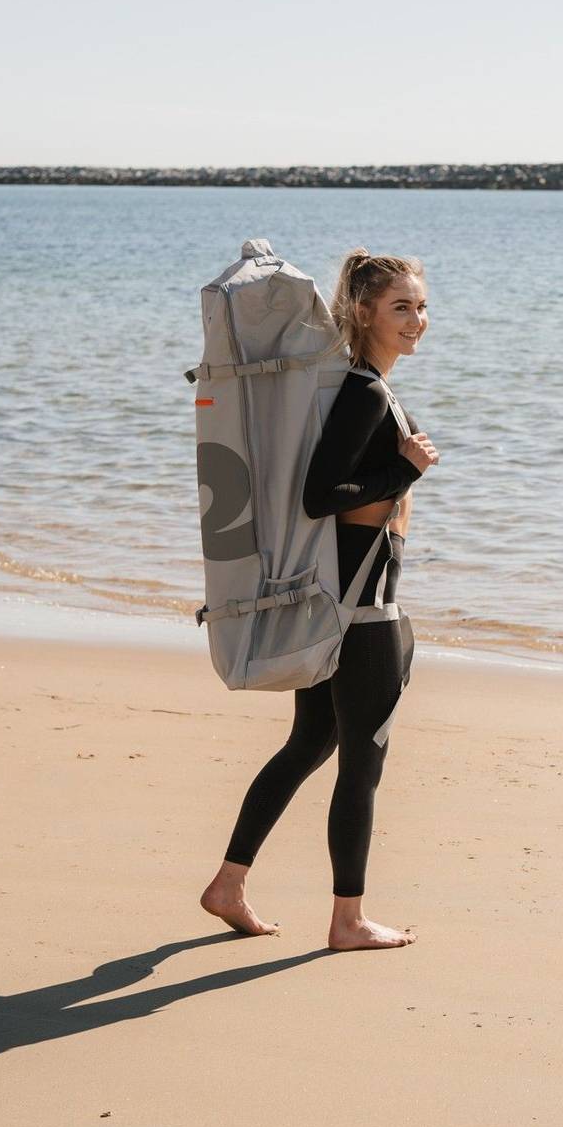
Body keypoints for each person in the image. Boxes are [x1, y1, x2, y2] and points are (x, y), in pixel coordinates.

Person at [199, 248, 439, 951]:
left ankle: (228, 883)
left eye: (421, 306)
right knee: (361, 765)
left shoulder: (365, 387)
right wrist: (405, 469)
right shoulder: (364, 392)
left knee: (311, 741)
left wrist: (397, 471)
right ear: (364, 313)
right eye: (402, 307)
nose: (417, 320)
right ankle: (347, 919)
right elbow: (320, 496)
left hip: (346, 602)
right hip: (362, 612)